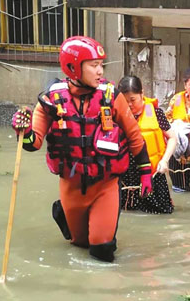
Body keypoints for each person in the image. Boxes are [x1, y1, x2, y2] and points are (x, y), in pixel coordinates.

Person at [10, 36, 152, 263]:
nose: (100, 71)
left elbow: (135, 137)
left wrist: (146, 172)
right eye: (93, 65)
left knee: (102, 250)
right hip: (71, 186)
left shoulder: (112, 97)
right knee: (79, 244)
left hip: (105, 185)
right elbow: (32, 144)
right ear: (74, 67)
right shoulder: (51, 100)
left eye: (101, 65)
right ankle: (63, 214)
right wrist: (23, 131)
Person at [118, 76, 175, 214]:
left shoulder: (156, 113)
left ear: (142, 94)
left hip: (154, 173)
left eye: (133, 100)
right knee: (125, 212)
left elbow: (172, 138)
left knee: (159, 213)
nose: (129, 104)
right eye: (125, 101)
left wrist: (165, 160)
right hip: (127, 176)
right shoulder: (117, 116)